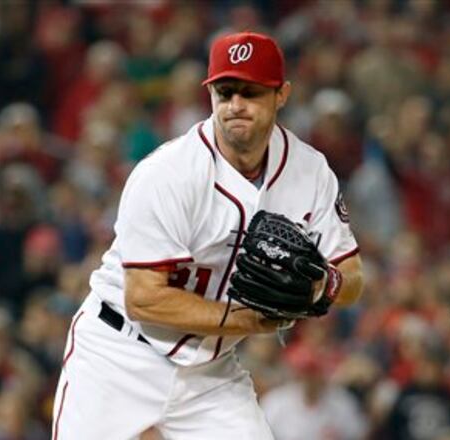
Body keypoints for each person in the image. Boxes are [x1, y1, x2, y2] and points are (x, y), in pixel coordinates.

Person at [51, 31, 364, 439]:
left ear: (281, 94)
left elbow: (352, 278)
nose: (235, 105)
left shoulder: (310, 171)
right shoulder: (168, 174)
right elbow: (143, 297)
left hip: (210, 373)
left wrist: (327, 282)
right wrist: (247, 320)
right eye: (225, 91)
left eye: (250, 92)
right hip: (118, 354)